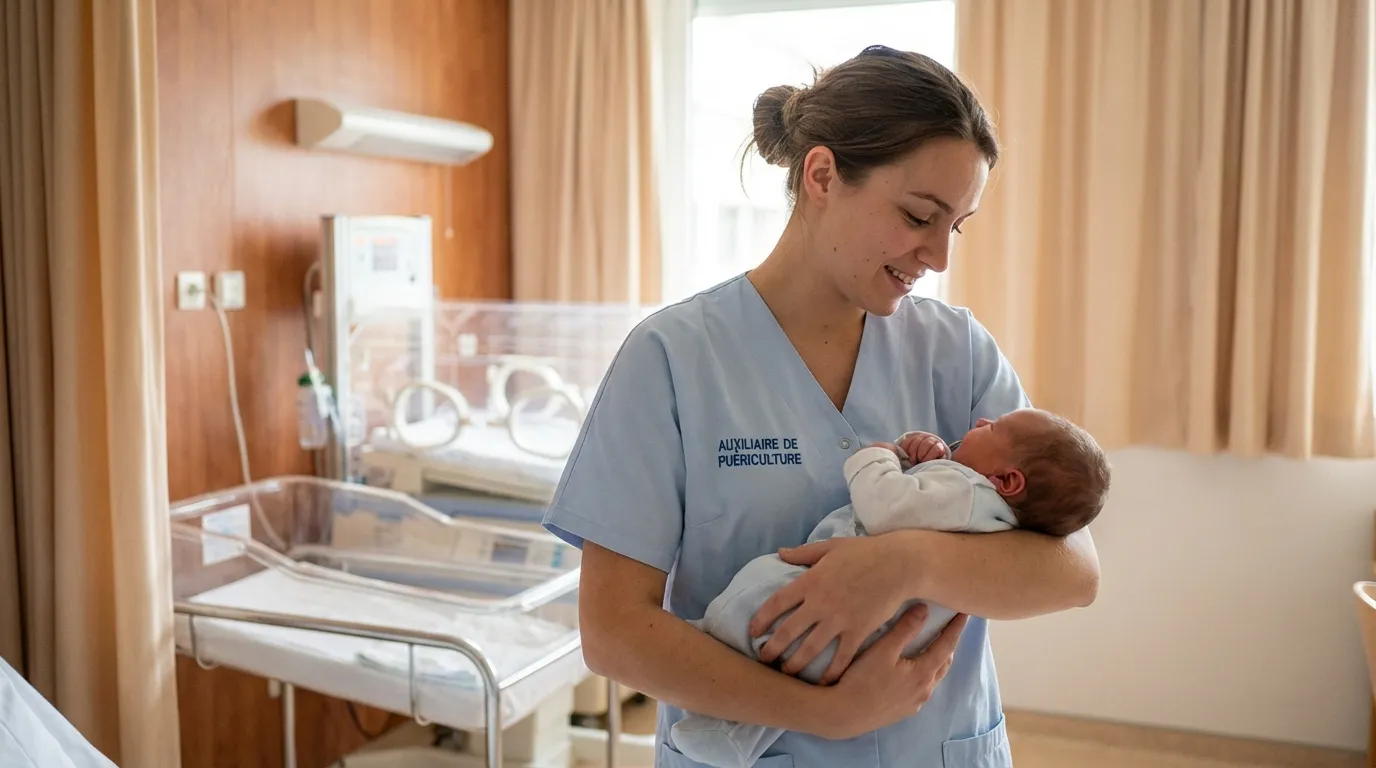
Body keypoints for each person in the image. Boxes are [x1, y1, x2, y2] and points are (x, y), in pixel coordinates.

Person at [542, 44, 1101, 767]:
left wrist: (903, 564)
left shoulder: (956, 351)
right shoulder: (673, 359)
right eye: (918, 215)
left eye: (955, 226)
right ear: (822, 175)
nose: (938, 257)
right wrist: (824, 713)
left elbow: (1073, 571)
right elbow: (614, 632)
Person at [669, 409, 1112, 767]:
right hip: (869, 642)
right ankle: (733, 731)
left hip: (828, 614)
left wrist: (880, 456)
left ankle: (711, 637)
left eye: (993, 427)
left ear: (1008, 481)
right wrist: (932, 456)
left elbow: (886, 506)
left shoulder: (967, 490)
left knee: (765, 593)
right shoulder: (996, 513)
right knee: (787, 663)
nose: (979, 421)